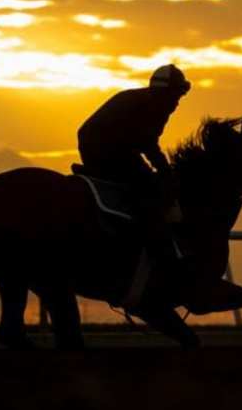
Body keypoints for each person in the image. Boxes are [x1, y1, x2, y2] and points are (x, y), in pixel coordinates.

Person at [75, 64, 191, 263]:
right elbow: (147, 144)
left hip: (105, 145)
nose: (177, 103)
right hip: (107, 148)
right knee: (150, 188)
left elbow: (147, 142)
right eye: (176, 95)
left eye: (179, 96)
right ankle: (156, 249)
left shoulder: (154, 101)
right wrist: (165, 172)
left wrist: (163, 169)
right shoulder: (154, 105)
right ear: (165, 93)